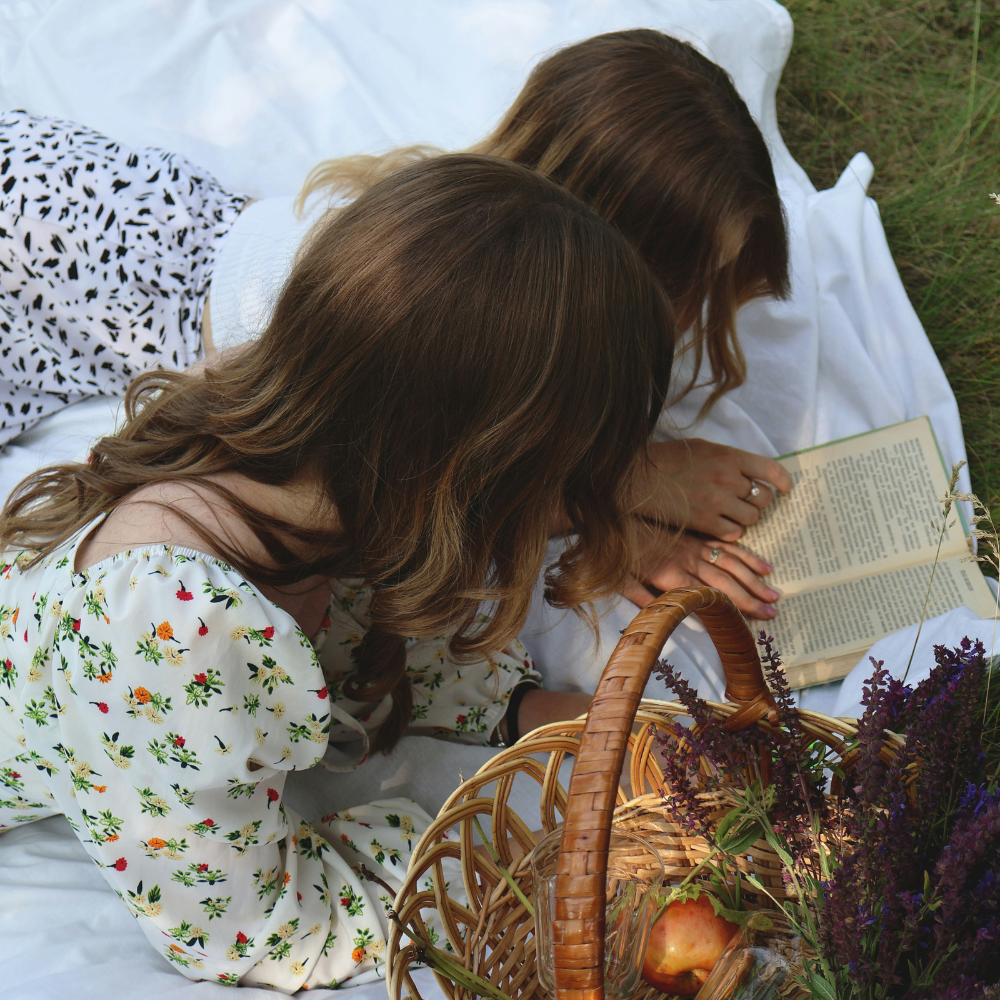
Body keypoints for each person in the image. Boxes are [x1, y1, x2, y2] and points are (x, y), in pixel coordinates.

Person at [0, 153, 673, 989]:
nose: (568, 514)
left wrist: (530, 710)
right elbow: (252, 931)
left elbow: (366, 628)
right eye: (563, 486)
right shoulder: (170, 628)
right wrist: (517, 858)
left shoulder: (319, 460)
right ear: (467, 477)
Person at [0, 30, 793, 627]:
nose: (697, 321)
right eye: (692, 287)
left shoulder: (432, 246)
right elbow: (409, 503)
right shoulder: (364, 326)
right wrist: (616, 498)